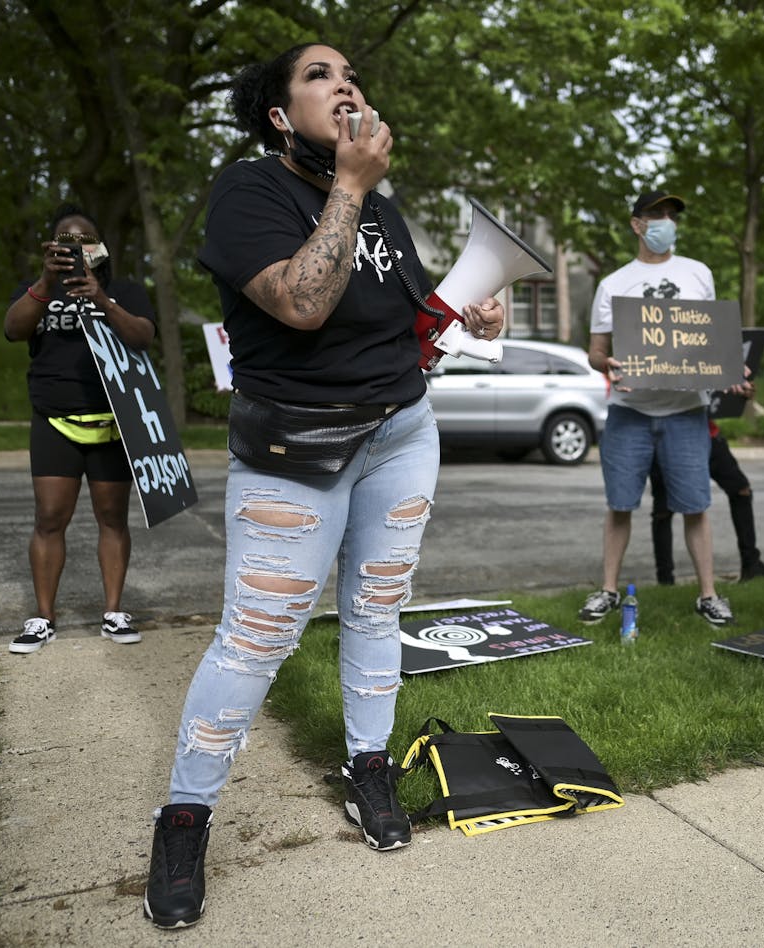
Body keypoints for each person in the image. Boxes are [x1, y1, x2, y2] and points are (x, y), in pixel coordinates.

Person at [141, 42, 504, 930]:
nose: (346, 86)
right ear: (278, 115)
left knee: (379, 609)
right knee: (257, 636)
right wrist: (347, 187)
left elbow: (407, 316)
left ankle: (369, 770)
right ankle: (185, 817)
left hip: (402, 433)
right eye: (320, 77)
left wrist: (472, 311)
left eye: (352, 76)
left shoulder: (381, 206)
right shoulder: (247, 193)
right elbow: (303, 303)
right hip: (295, 451)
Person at [579, 190, 749, 628]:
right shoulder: (613, 284)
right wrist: (607, 364)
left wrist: (731, 367)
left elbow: (709, 340)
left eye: (671, 216)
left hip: (686, 411)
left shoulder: (698, 274)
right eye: (657, 215)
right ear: (636, 224)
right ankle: (608, 591)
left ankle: (708, 595)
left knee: (696, 505)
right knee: (620, 504)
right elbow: (596, 352)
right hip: (629, 411)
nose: (666, 223)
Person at [2, 204, 155, 654]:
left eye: (85, 240)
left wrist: (102, 301)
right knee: (50, 519)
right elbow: (13, 330)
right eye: (66, 241)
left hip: (113, 421)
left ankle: (113, 611)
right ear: (50, 249)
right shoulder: (37, 291)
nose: (78, 249)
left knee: (112, 518)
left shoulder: (124, 290)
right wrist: (46, 286)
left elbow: (144, 335)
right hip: (54, 418)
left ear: (101, 248)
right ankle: (43, 617)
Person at [649, 419, 764, 585]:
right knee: (663, 510)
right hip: (664, 440)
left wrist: (739, 394)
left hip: (706, 433)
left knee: (741, 490)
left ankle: (751, 563)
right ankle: (665, 579)